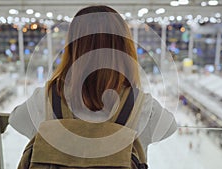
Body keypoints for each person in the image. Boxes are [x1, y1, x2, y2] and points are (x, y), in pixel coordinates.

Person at [9, 5, 177, 164]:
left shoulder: (45, 99)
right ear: (124, 49)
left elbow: (15, 119)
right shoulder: (143, 107)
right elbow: (170, 126)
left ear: (73, 48)